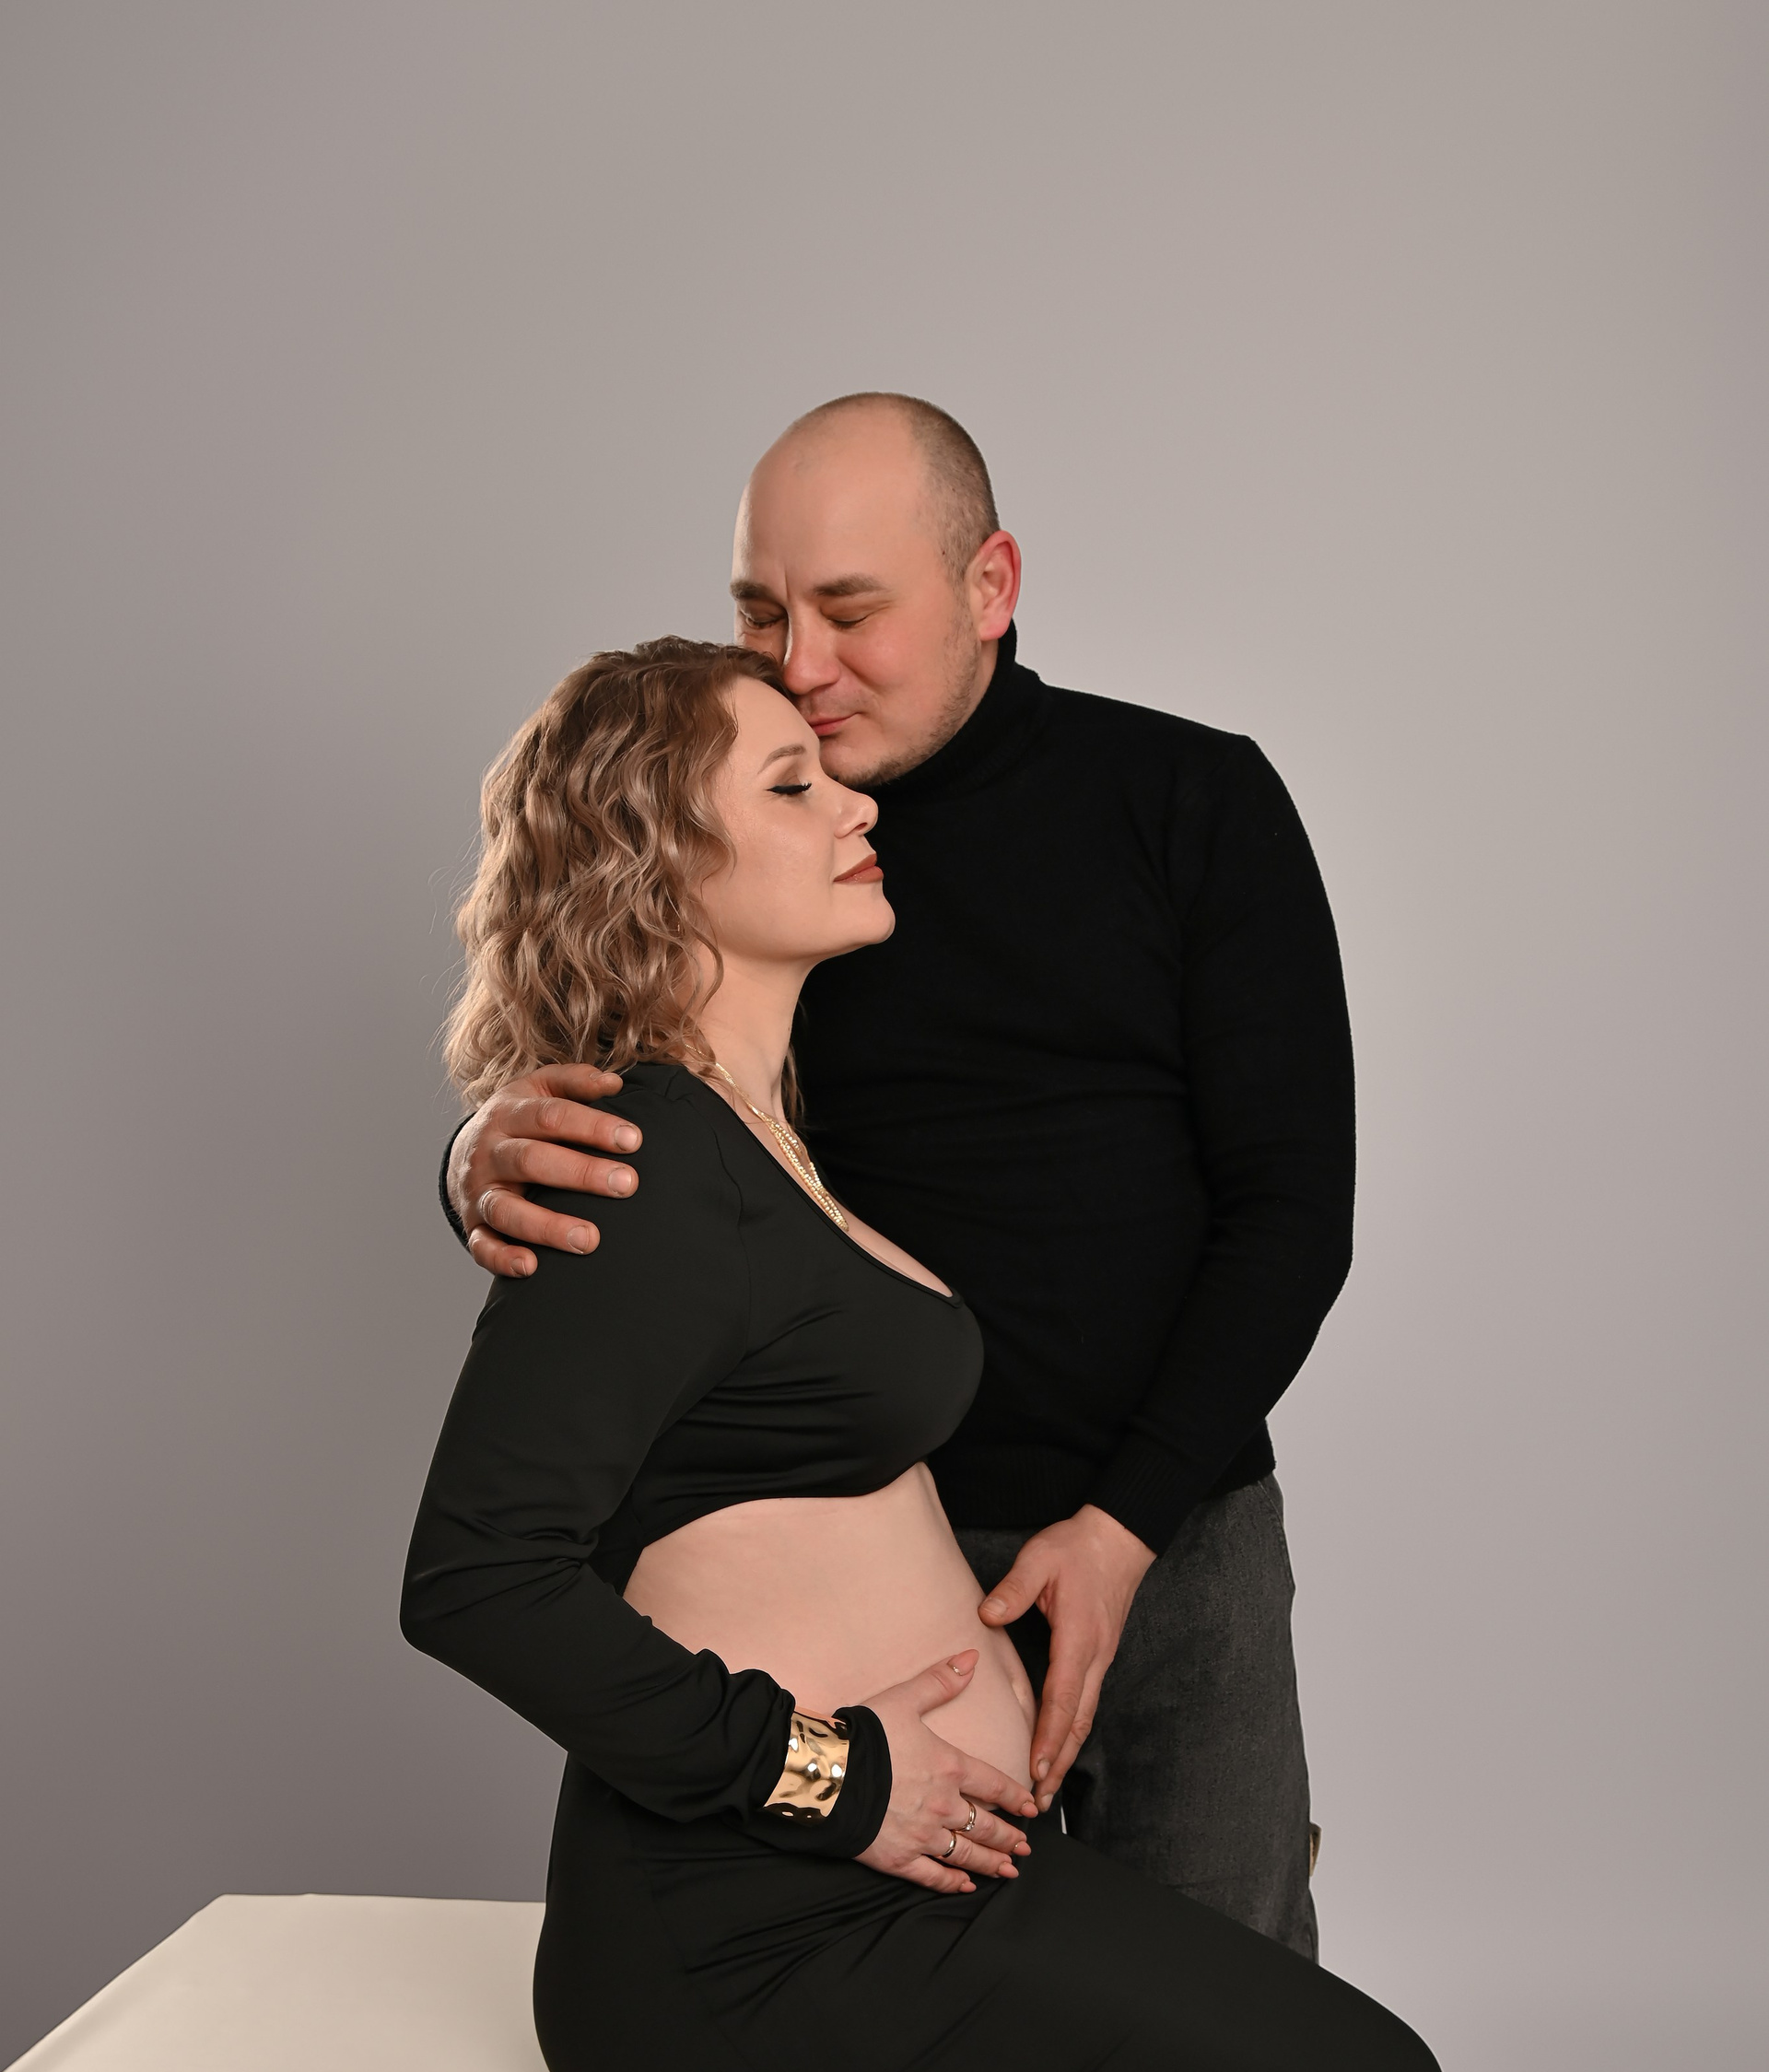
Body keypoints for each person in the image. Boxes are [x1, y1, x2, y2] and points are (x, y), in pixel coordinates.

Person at [403, 637, 1556, 2072]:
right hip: (758, 1931)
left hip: (921, 1869)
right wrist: (833, 1772)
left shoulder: (761, 1121)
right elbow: (474, 1577)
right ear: (656, 858)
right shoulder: (644, 1156)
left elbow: (1277, 1202)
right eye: (787, 784)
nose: (852, 798)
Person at [439, 392, 1354, 1962]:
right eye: (760, 612)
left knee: (1239, 1987)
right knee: (922, 2035)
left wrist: (1123, 1526)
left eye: (851, 611)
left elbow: (1292, 1212)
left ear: (990, 586)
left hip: (1170, 1534)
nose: (799, 661)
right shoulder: (737, 841)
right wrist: (475, 1154)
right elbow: (630, 1092)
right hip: (846, 1572)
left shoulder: (1191, 801)